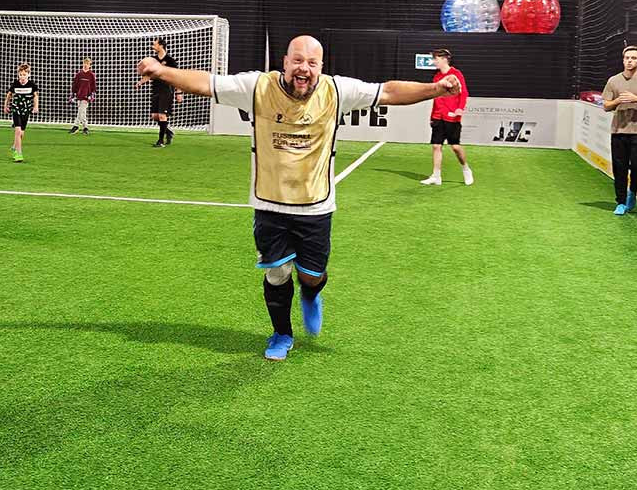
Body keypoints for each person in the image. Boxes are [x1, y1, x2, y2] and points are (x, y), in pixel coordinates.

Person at [136, 35, 461, 361]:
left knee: (311, 275)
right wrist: (161, 71)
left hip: (316, 206)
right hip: (269, 204)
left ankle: (311, 293)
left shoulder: (336, 91)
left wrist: (435, 89)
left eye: (311, 62)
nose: (303, 68)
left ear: (320, 66)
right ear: (285, 61)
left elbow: (388, 91)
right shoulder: (258, 87)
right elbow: (208, 82)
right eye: (297, 60)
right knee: (276, 274)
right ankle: (281, 333)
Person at [602, 46, 637, 215]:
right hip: (619, 130)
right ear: (623, 60)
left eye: (634, 58)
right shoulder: (613, 81)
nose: (629, 61)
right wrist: (618, 101)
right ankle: (620, 202)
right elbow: (606, 106)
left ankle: (633, 191)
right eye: (627, 58)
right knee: (619, 168)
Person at [420, 48, 473, 186]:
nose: (434, 62)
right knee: (436, 146)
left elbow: (464, 93)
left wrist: (459, 109)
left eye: (435, 59)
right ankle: (436, 176)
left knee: (455, 147)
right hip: (438, 116)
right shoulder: (436, 77)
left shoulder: (456, 74)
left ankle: (466, 169)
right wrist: (432, 115)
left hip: (452, 117)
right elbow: (435, 97)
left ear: (444, 59)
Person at [135, 37, 183, 147]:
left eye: (154, 44)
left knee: (162, 116)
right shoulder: (153, 60)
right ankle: (168, 132)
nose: (152, 46)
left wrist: (179, 92)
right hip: (155, 90)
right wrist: (140, 82)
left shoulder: (170, 61)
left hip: (167, 90)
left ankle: (160, 141)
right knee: (155, 116)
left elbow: (177, 77)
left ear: (161, 46)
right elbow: (149, 75)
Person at [3, 62, 39, 162]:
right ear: (18, 75)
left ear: (28, 74)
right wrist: (6, 106)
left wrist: (36, 106)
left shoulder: (32, 85)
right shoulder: (15, 84)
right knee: (18, 131)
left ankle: (14, 146)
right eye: (20, 74)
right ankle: (18, 154)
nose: (22, 77)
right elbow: (9, 95)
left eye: (24, 74)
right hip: (16, 109)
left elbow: (36, 96)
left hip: (26, 110)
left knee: (22, 133)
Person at [69, 57, 97, 135]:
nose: (86, 65)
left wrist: (92, 95)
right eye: (85, 63)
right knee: (81, 112)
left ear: (90, 65)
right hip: (79, 96)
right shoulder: (79, 74)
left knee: (82, 111)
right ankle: (84, 128)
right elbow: (75, 85)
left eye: (88, 64)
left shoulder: (91, 75)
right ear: (83, 64)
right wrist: (72, 95)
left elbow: (93, 86)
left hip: (86, 96)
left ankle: (77, 126)